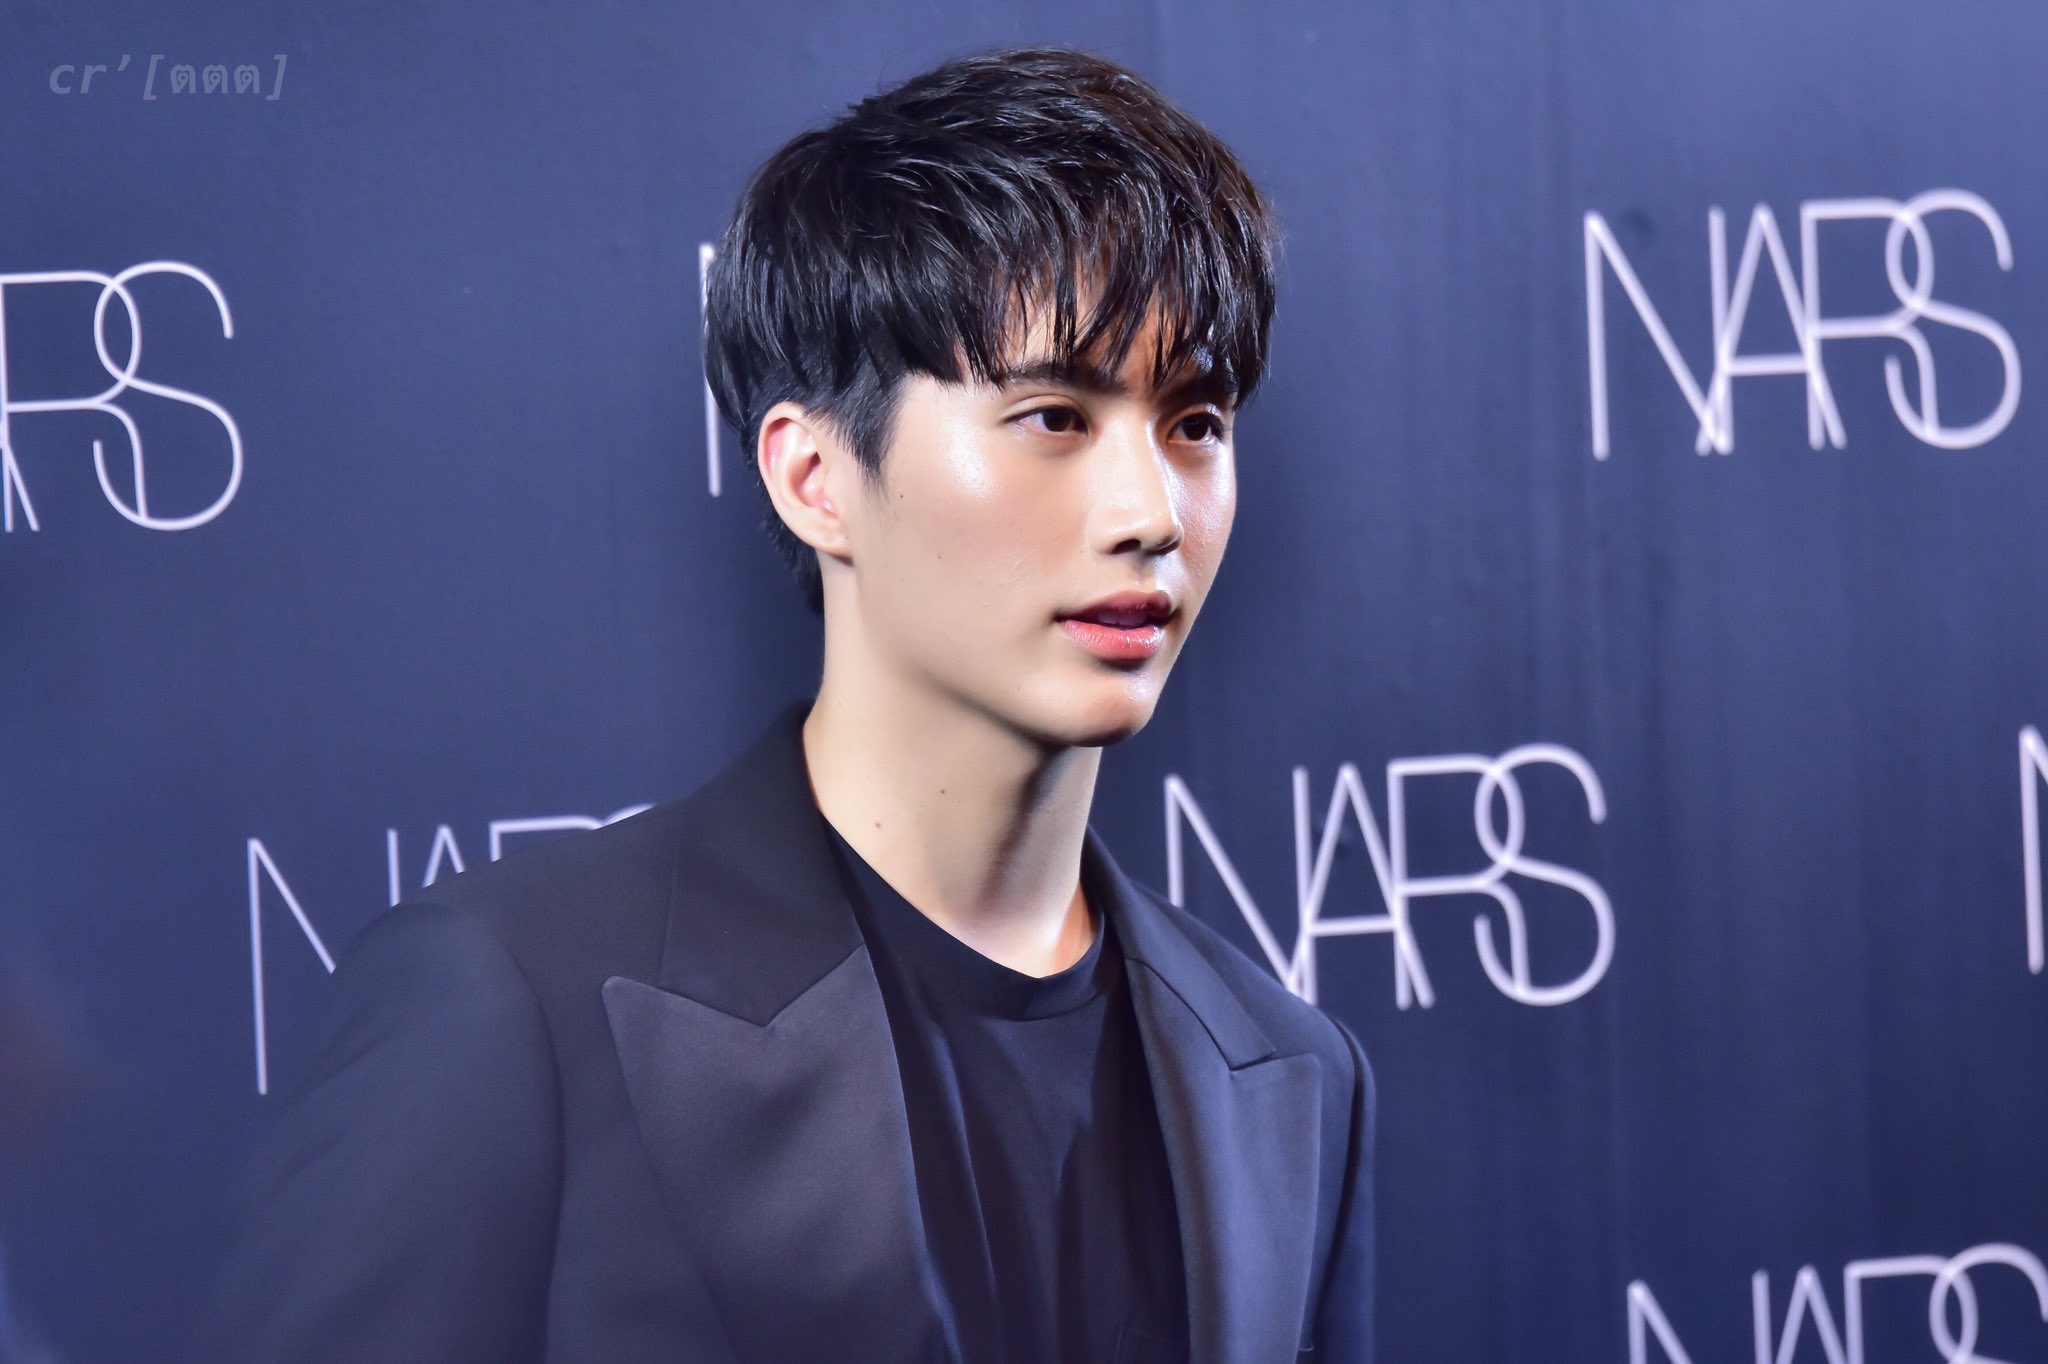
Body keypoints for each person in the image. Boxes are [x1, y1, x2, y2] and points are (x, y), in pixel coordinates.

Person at [191, 45, 1375, 1364]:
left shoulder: (1295, 1075)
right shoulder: (513, 1002)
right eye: (1053, 416)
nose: (1150, 513)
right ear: (815, 477)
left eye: (1195, 423)